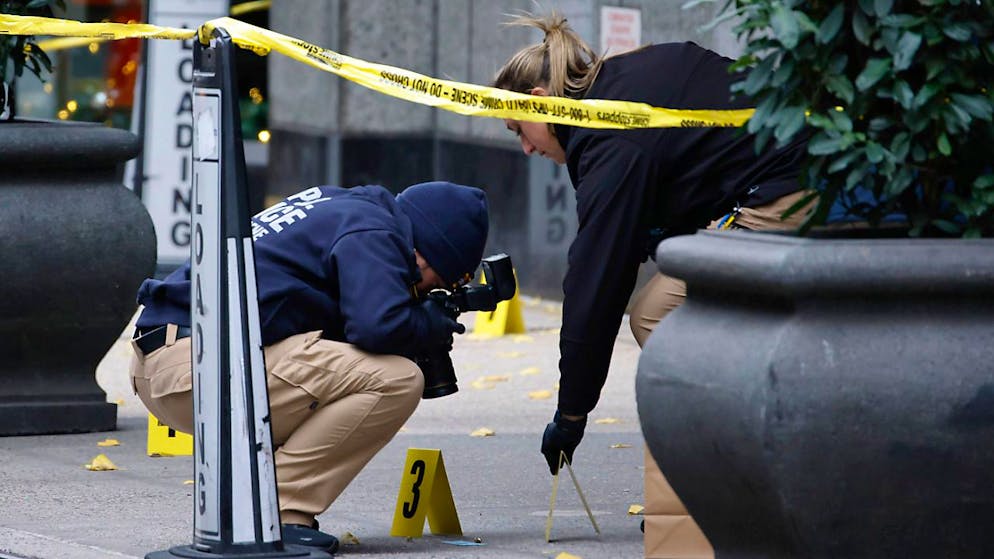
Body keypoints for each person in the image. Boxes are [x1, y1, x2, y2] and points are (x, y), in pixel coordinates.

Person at [492, 13, 812, 474]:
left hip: (787, 191)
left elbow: (596, 283)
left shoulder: (609, 142)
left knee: (656, 313)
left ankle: (735, 473)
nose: (524, 147)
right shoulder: (626, 81)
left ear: (541, 103)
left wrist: (571, 413)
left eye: (518, 128)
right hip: (801, 168)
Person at [129, 181, 489, 553]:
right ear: (425, 255)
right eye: (437, 284)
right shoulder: (375, 233)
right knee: (396, 380)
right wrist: (425, 325)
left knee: (344, 373)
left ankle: (258, 503)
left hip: (170, 358)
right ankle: (277, 511)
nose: (427, 293)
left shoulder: (348, 207)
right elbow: (376, 326)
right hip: (196, 367)